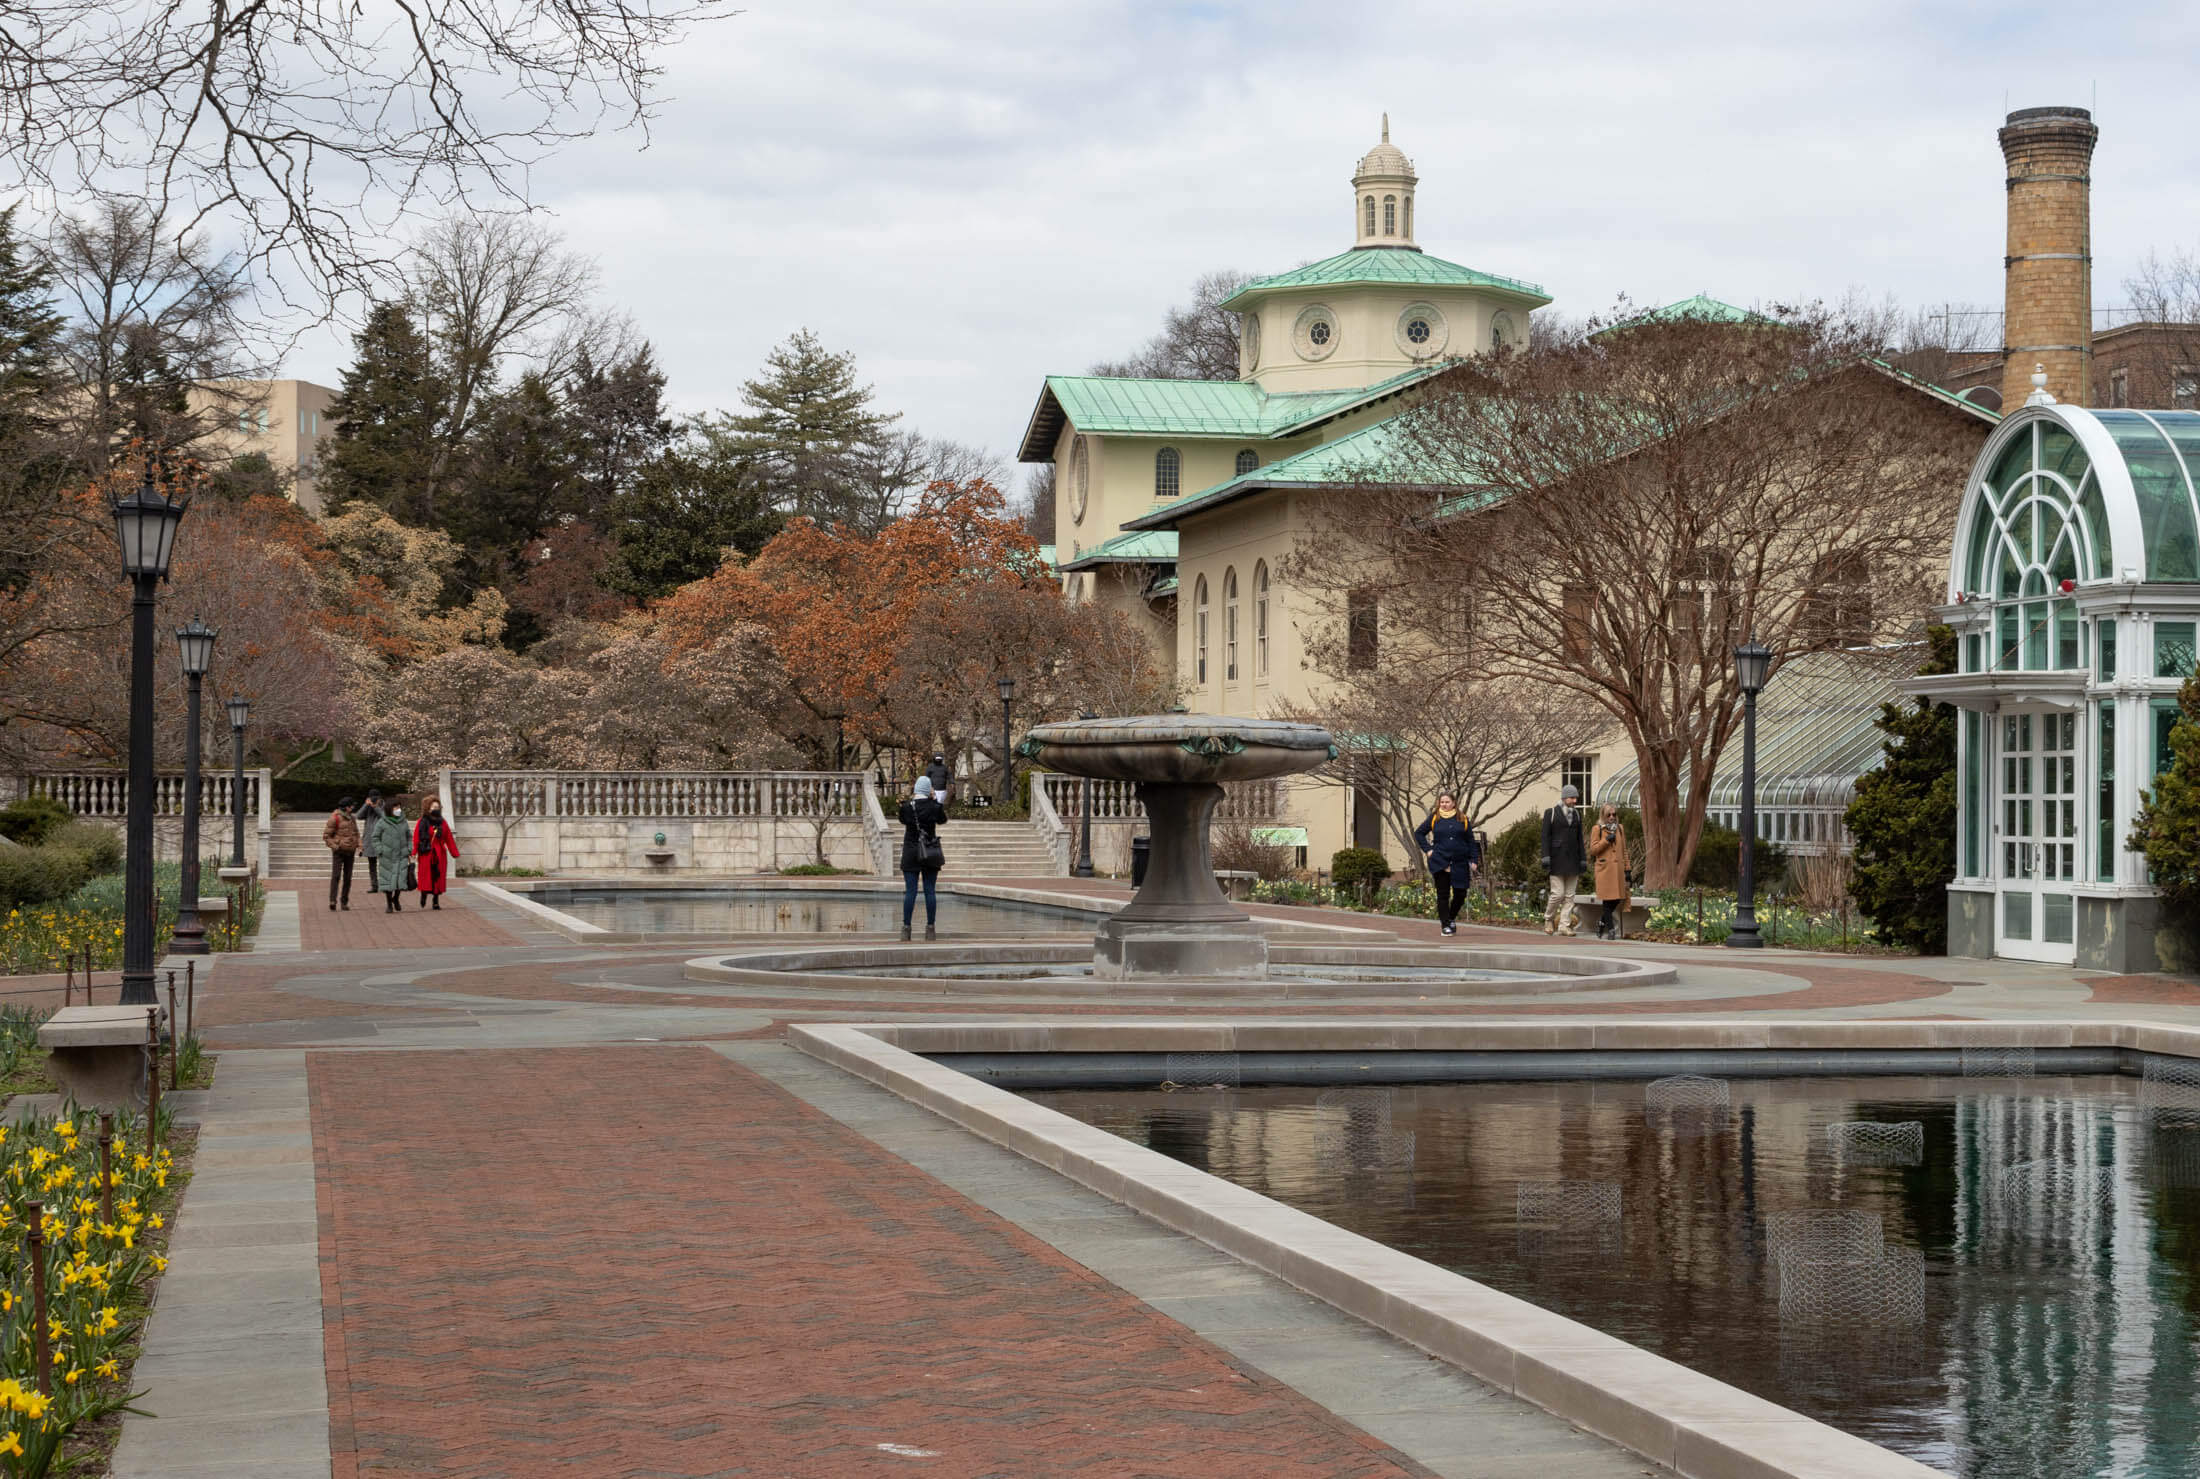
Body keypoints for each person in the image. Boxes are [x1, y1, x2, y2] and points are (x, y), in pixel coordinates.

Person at [1413, 792, 1480, 937]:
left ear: (1454, 803)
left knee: (1460, 893)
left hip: (1460, 863)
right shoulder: (1434, 818)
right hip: (1440, 862)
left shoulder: (1463, 819)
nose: (1444, 804)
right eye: (1442, 802)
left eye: (1447, 802)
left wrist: (1474, 860)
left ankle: (1450, 918)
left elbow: (1471, 841)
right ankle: (1445, 925)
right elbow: (1419, 833)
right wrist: (1428, 850)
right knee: (1442, 895)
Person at [898, 775, 948, 942]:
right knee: (930, 890)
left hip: (911, 851)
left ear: (916, 789)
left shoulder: (906, 807)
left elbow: (902, 820)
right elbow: (943, 820)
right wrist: (934, 800)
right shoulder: (935, 807)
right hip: (929, 852)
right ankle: (930, 928)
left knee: (910, 891)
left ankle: (906, 929)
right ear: (928, 790)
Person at [1539, 782, 1588, 937]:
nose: (1575, 801)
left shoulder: (1577, 815)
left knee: (1569, 896)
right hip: (1556, 860)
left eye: (1576, 798)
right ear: (1565, 797)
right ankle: (1548, 919)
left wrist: (1583, 859)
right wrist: (1545, 856)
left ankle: (1564, 926)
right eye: (1572, 798)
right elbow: (1545, 837)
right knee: (1557, 894)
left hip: (1573, 860)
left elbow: (1580, 838)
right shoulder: (1551, 813)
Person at [1590, 804, 1630, 940]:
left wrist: (1628, 869)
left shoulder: (1620, 829)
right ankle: (1611, 930)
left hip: (1618, 871)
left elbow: (1624, 850)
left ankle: (1602, 921)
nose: (1612, 817)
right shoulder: (1597, 829)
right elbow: (1593, 850)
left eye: (1614, 814)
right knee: (1607, 901)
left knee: (1618, 898)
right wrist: (1606, 840)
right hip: (1604, 871)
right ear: (1603, 816)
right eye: (1609, 815)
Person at [413, 796, 460, 910]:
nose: (436, 809)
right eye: (434, 807)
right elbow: (416, 838)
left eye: (438, 807)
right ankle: (423, 894)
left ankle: (436, 900)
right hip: (426, 853)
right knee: (425, 876)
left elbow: (448, 837)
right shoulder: (422, 822)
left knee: (438, 877)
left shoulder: (442, 822)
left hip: (439, 853)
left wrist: (454, 852)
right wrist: (414, 852)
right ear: (428, 808)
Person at [368, 800, 410, 912]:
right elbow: (375, 837)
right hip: (387, 856)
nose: (398, 810)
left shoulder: (403, 821)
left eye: (399, 807)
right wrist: (380, 850)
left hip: (401, 855)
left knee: (400, 880)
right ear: (389, 809)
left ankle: (396, 898)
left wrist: (409, 849)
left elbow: (409, 836)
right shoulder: (382, 822)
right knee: (387, 880)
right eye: (396, 808)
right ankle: (389, 904)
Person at [323, 796, 360, 912]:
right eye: (351, 806)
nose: (353, 807)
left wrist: (359, 845)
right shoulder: (334, 818)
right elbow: (326, 836)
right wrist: (336, 847)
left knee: (348, 878)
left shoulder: (352, 818)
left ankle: (344, 901)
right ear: (346, 807)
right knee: (336, 876)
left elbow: (356, 833)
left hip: (351, 851)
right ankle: (332, 901)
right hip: (339, 852)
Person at [356, 790, 386, 893]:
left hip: (382, 839)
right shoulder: (368, 806)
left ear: (379, 798)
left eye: (375, 798)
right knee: (372, 864)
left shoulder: (384, 806)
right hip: (369, 839)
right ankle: (374, 886)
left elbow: (384, 817)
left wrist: (375, 807)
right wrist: (366, 805)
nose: (374, 800)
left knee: (384, 864)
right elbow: (358, 816)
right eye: (372, 797)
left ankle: (385, 884)